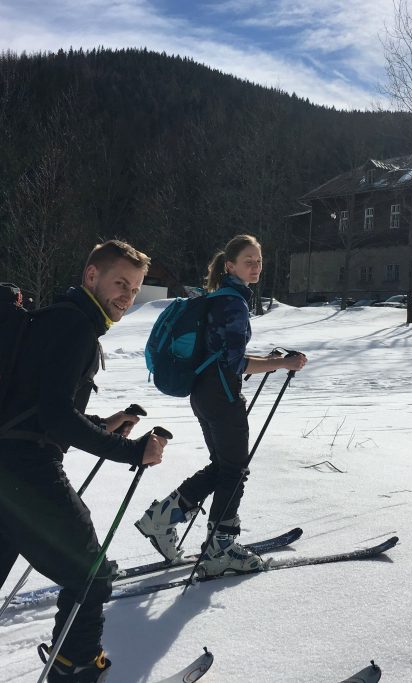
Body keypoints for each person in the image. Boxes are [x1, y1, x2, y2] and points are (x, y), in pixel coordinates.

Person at [0, 240, 167, 683]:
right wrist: (133, 451)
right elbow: (56, 416)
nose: (127, 296)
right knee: (89, 575)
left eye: (134, 289)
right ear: (91, 276)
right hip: (27, 474)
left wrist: (103, 423)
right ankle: (75, 671)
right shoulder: (75, 327)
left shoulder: (51, 322)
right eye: (120, 283)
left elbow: (37, 411)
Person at [135, 234, 306, 576]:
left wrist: (270, 360)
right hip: (222, 397)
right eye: (249, 261)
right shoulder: (233, 304)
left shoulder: (220, 299)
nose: (256, 267)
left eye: (258, 261)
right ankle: (220, 548)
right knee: (234, 471)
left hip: (204, 393)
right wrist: (282, 364)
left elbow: (224, 356)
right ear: (230, 266)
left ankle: (161, 520)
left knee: (222, 466)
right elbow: (235, 363)